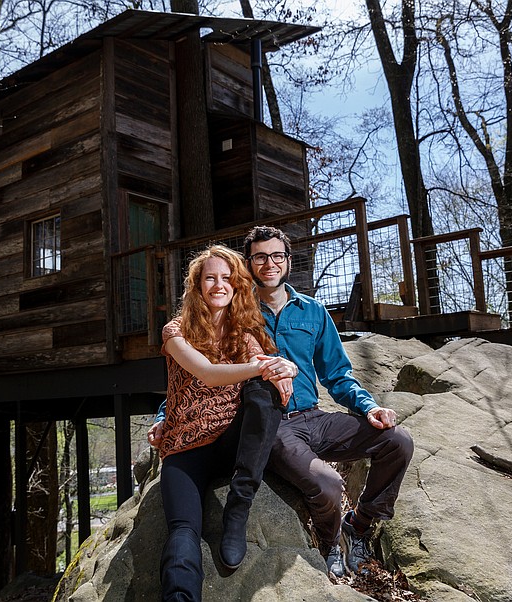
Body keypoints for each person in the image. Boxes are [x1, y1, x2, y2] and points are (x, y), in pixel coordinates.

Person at [149, 226, 414, 579]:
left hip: (313, 415)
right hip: (270, 426)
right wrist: (166, 415)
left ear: (288, 261)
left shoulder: (313, 311)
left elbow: (337, 375)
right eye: (260, 257)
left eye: (277, 256)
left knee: (398, 441)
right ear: (249, 264)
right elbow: (197, 369)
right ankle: (330, 541)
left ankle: (360, 524)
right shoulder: (237, 312)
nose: (269, 263)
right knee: (328, 484)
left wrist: (369, 407)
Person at [155, 244, 295, 602]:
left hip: (231, 443)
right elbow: (210, 374)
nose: (219, 285)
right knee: (183, 528)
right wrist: (265, 366)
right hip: (186, 448)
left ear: (236, 287)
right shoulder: (175, 332)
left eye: (226, 279)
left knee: (266, 390)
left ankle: (240, 503)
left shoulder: (244, 336)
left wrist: (284, 369)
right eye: (210, 278)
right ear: (197, 286)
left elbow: (271, 375)